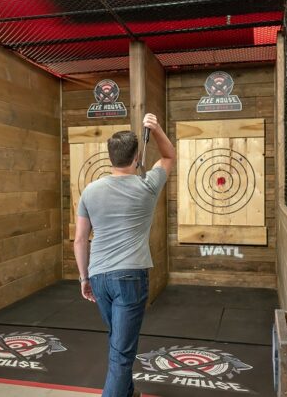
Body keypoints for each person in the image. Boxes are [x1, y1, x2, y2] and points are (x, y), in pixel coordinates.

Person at [74, 113, 175, 397]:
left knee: (119, 342)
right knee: (121, 352)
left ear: (110, 157)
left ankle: (128, 391)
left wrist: (84, 278)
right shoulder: (147, 184)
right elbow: (169, 156)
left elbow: (81, 239)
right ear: (137, 156)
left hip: (99, 277)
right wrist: (155, 129)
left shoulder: (90, 190)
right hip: (130, 277)